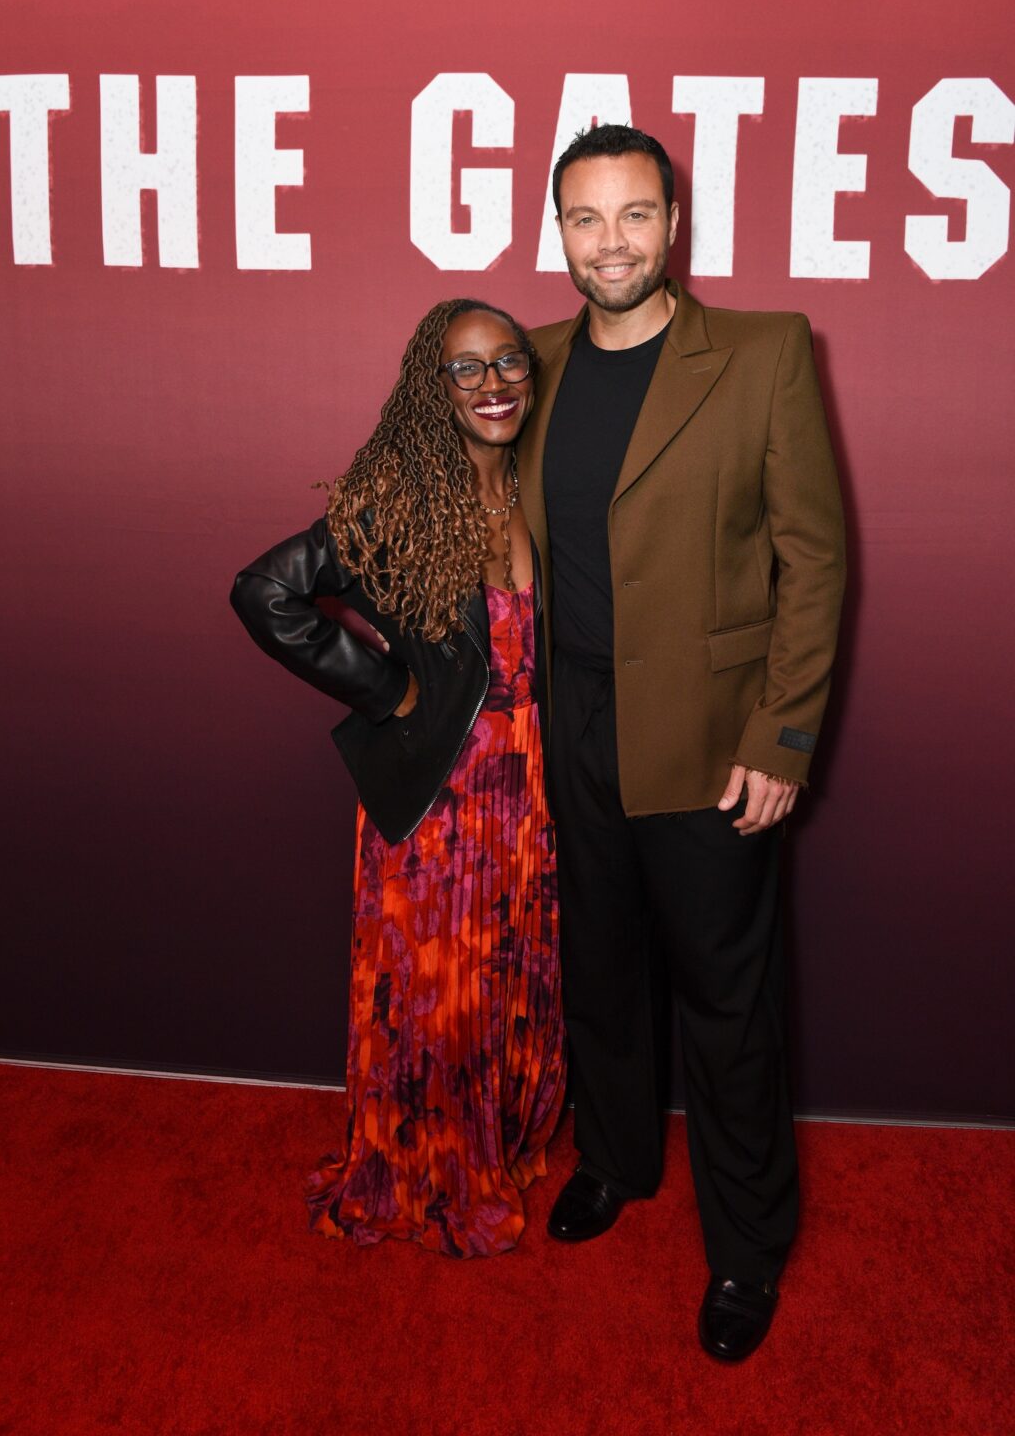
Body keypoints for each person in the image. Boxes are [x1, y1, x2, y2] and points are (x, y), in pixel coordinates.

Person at [518, 125, 846, 1358]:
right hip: (570, 724)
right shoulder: (530, 362)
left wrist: (783, 735)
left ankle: (747, 1248)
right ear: (560, 233)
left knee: (726, 999)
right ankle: (613, 1161)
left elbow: (813, 559)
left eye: (633, 215)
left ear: (674, 224)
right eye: (586, 219)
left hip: (713, 739)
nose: (610, 242)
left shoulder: (762, 353)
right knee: (597, 968)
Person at [231, 299, 565, 1258]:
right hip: (439, 802)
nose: (495, 383)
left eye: (509, 362)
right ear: (434, 385)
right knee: (436, 994)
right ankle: (425, 1168)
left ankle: (498, 1139)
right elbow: (265, 589)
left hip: (531, 794)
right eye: (468, 369)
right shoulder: (404, 498)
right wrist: (385, 690)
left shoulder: (534, 492)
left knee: (510, 979)